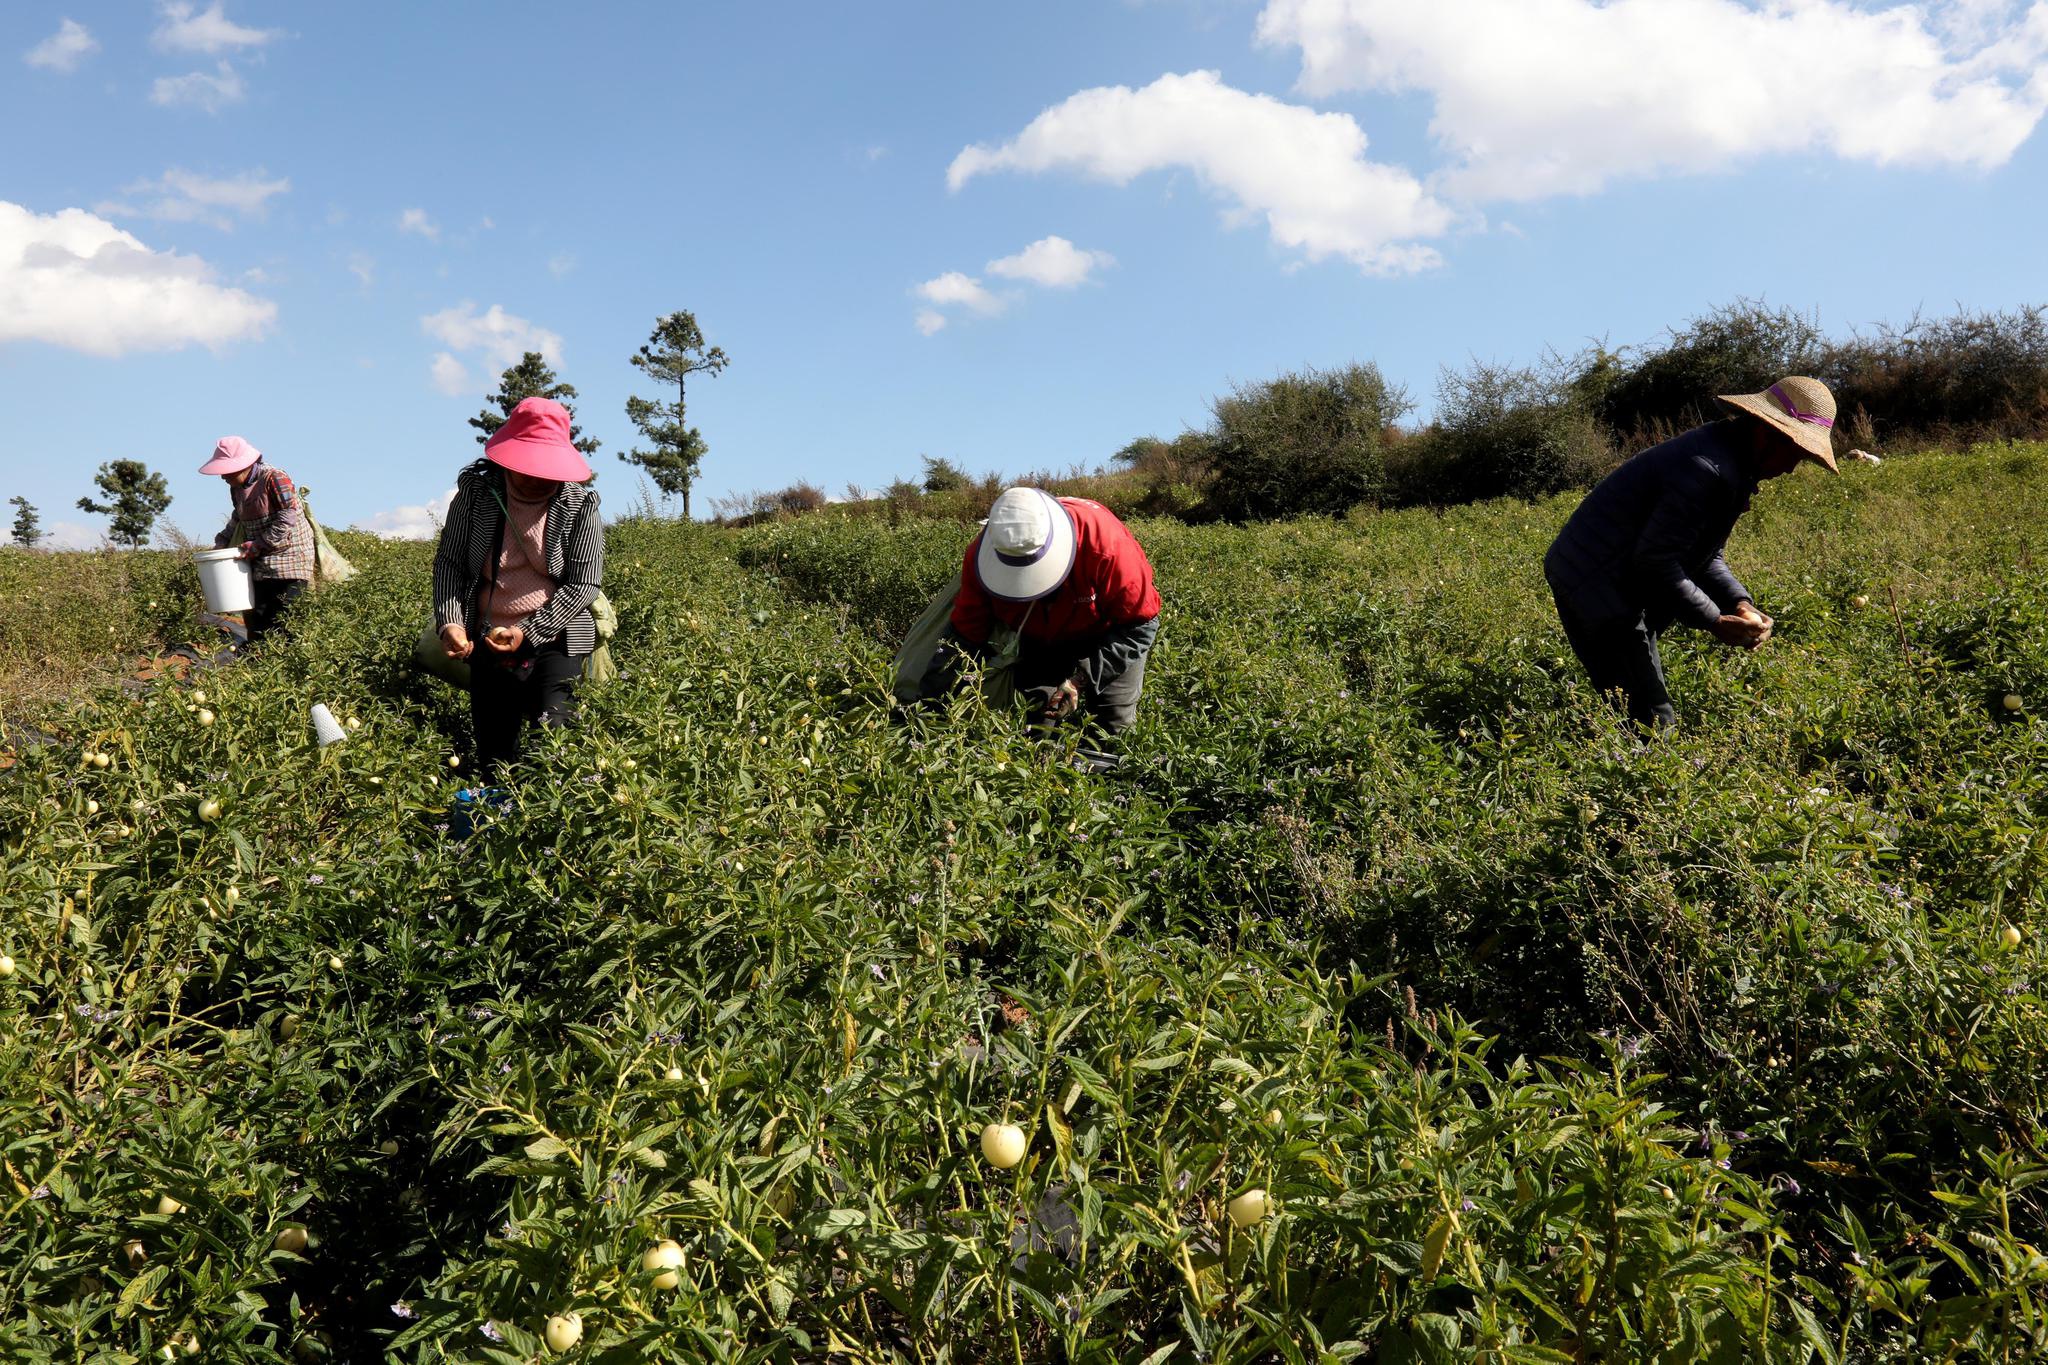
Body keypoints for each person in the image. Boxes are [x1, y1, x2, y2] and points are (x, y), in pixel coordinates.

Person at [1543, 375, 1840, 728]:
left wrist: (1738, 603)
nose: (1791, 466)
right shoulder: (1706, 469)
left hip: (1613, 574)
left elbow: (1705, 556)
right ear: (1765, 431)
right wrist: (1714, 621)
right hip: (1592, 578)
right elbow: (1656, 562)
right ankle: (1643, 771)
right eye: (1793, 452)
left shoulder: (1730, 461)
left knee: (1633, 687)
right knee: (1653, 716)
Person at [431, 398, 604, 777]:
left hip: (556, 639)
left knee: (555, 742)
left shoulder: (579, 503)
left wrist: (528, 632)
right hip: (487, 639)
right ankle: (497, 823)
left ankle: (550, 830)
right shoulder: (477, 495)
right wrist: (451, 623)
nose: (537, 476)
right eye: (528, 465)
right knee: (496, 751)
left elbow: (584, 582)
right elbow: (450, 563)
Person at [922, 487, 1161, 732]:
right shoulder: (982, 558)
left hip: (1110, 635)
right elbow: (964, 634)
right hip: (1040, 640)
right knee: (1037, 722)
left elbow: (1140, 626)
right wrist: (927, 705)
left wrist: (1081, 680)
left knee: (1112, 724)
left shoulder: (1105, 546)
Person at [199, 436, 313, 646]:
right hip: (259, 557)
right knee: (257, 616)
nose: (224, 476)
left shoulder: (275, 478)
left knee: (288, 615)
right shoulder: (237, 487)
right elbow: (239, 517)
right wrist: (223, 540)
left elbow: (288, 515)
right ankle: (260, 666)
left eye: (228, 471)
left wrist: (260, 543)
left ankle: (292, 667)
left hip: (291, 557)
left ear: (244, 466)